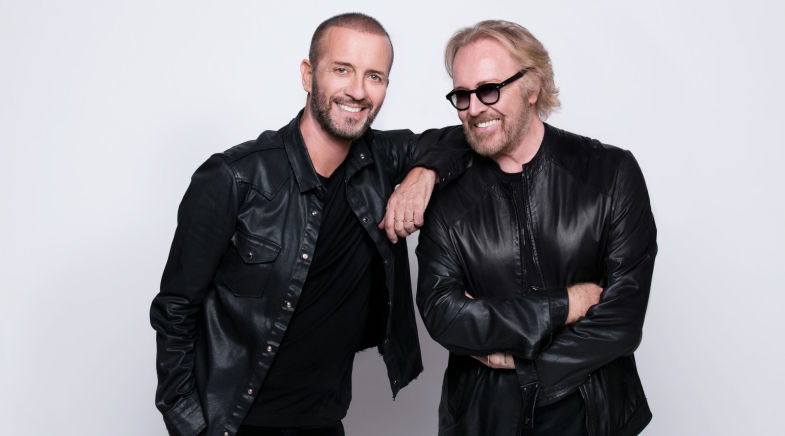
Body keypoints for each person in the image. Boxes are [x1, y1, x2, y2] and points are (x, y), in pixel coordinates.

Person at [150, 13, 466, 436]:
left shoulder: (383, 160)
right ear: (307, 74)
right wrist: (189, 424)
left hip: (323, 423)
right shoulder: (234, 177)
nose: (358, 90)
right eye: (342, 70)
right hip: (234, 424)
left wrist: (423, 175)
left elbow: (466, 139)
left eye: (374, 76)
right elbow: (175, 309)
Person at [416, 20, 657, 435]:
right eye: (462, 95)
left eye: (489, 89)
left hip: (593, 419)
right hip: (484, 420)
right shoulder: (444, 195)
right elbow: (445, 315)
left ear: (532, 87)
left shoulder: (610, 172)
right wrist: (565, 304)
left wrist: (523, 364)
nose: (474, 108)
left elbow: (622, 320)